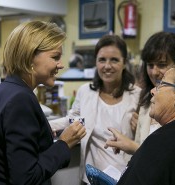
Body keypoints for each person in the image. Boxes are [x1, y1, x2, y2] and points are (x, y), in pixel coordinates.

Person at [0, 21, 86, 185]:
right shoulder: (20, 99)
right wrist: (64, 144)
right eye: (55, 57)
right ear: (30, 57)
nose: (61, 64)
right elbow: (26, 178)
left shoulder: (1, 91)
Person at [50, 34, 141, 184]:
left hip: (126, 178)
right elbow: (72, 120)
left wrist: (140, 127)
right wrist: (47, 125)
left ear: (124, 63)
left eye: (114, 60)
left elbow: (147, 138)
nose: (107, 66)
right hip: (90, 178)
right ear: (96, 62)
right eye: (102, 60)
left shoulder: (137, 95)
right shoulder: (85, 92)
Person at [105, 31, 175, 155]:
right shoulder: (146, 101)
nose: (154, 72)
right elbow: (144, 147)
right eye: (150, 65)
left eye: (162, 65)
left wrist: (133, 147)